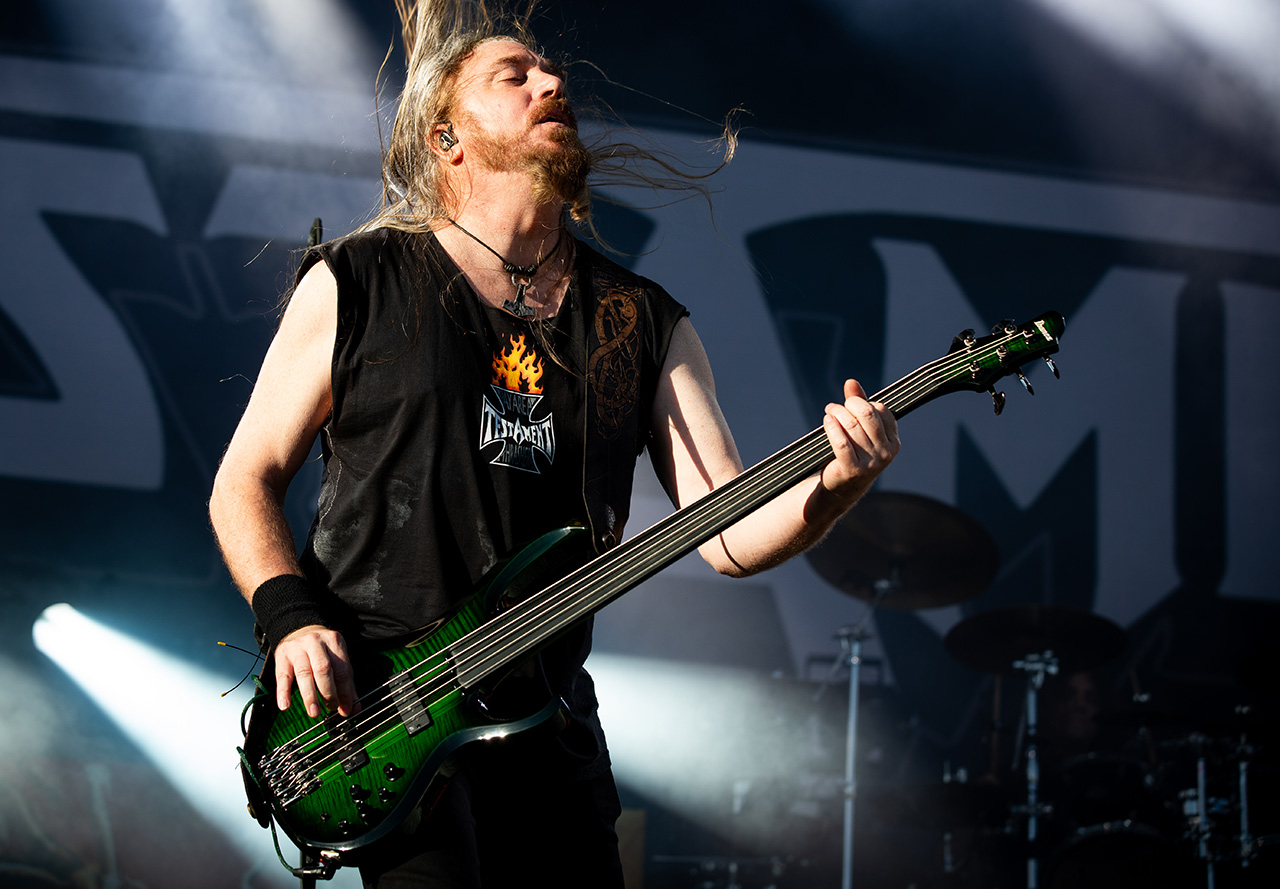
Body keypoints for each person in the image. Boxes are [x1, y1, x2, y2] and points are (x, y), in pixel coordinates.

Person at [207, 2, 900, 886]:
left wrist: (834, 486)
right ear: (445, 135)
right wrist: (290, 616)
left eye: (551, 74)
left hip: (543, 722)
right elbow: (245, 479)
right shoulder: (360, 279)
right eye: (516, 76)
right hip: (383, 709)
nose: (554, 83)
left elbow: (725, 532)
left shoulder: (640, 322)